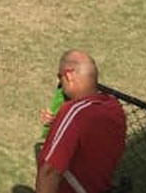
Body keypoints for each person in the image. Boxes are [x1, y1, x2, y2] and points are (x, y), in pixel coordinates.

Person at [36, 51, 126, 193]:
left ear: (69, 76)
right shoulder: (114, 108)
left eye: (60, 79)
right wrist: (57, 123)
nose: (60, 85)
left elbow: (49, 171)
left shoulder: (75, 112)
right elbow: (89, 144)